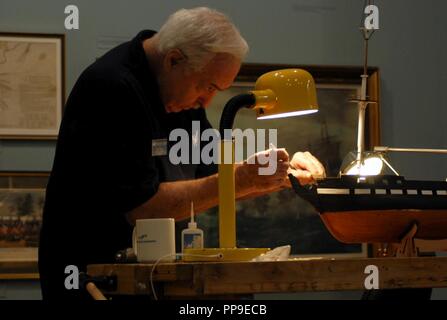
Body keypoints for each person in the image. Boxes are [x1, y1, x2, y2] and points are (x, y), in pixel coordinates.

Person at [38, 7, 326, 300]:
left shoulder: (182, 97)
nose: (207, 100)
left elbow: (211, 177)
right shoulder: (112, 86)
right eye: (207, 86)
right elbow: (142, 207)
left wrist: (275, 175)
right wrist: (242, 178)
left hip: (154, 276)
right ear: (173, 60)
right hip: (94, 279)